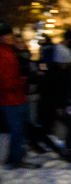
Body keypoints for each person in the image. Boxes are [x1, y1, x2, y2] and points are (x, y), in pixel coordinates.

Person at [1, 22, 32, 169]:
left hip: (18, 97)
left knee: (19, 130)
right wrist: (21, 82)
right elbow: (6, 81)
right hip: (10, 99)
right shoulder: (4, 54)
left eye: (9, 34)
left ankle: (13, 157)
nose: (9, 37)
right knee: (17, 130)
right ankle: (16, 160)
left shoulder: (11, 52)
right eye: (5, 35)